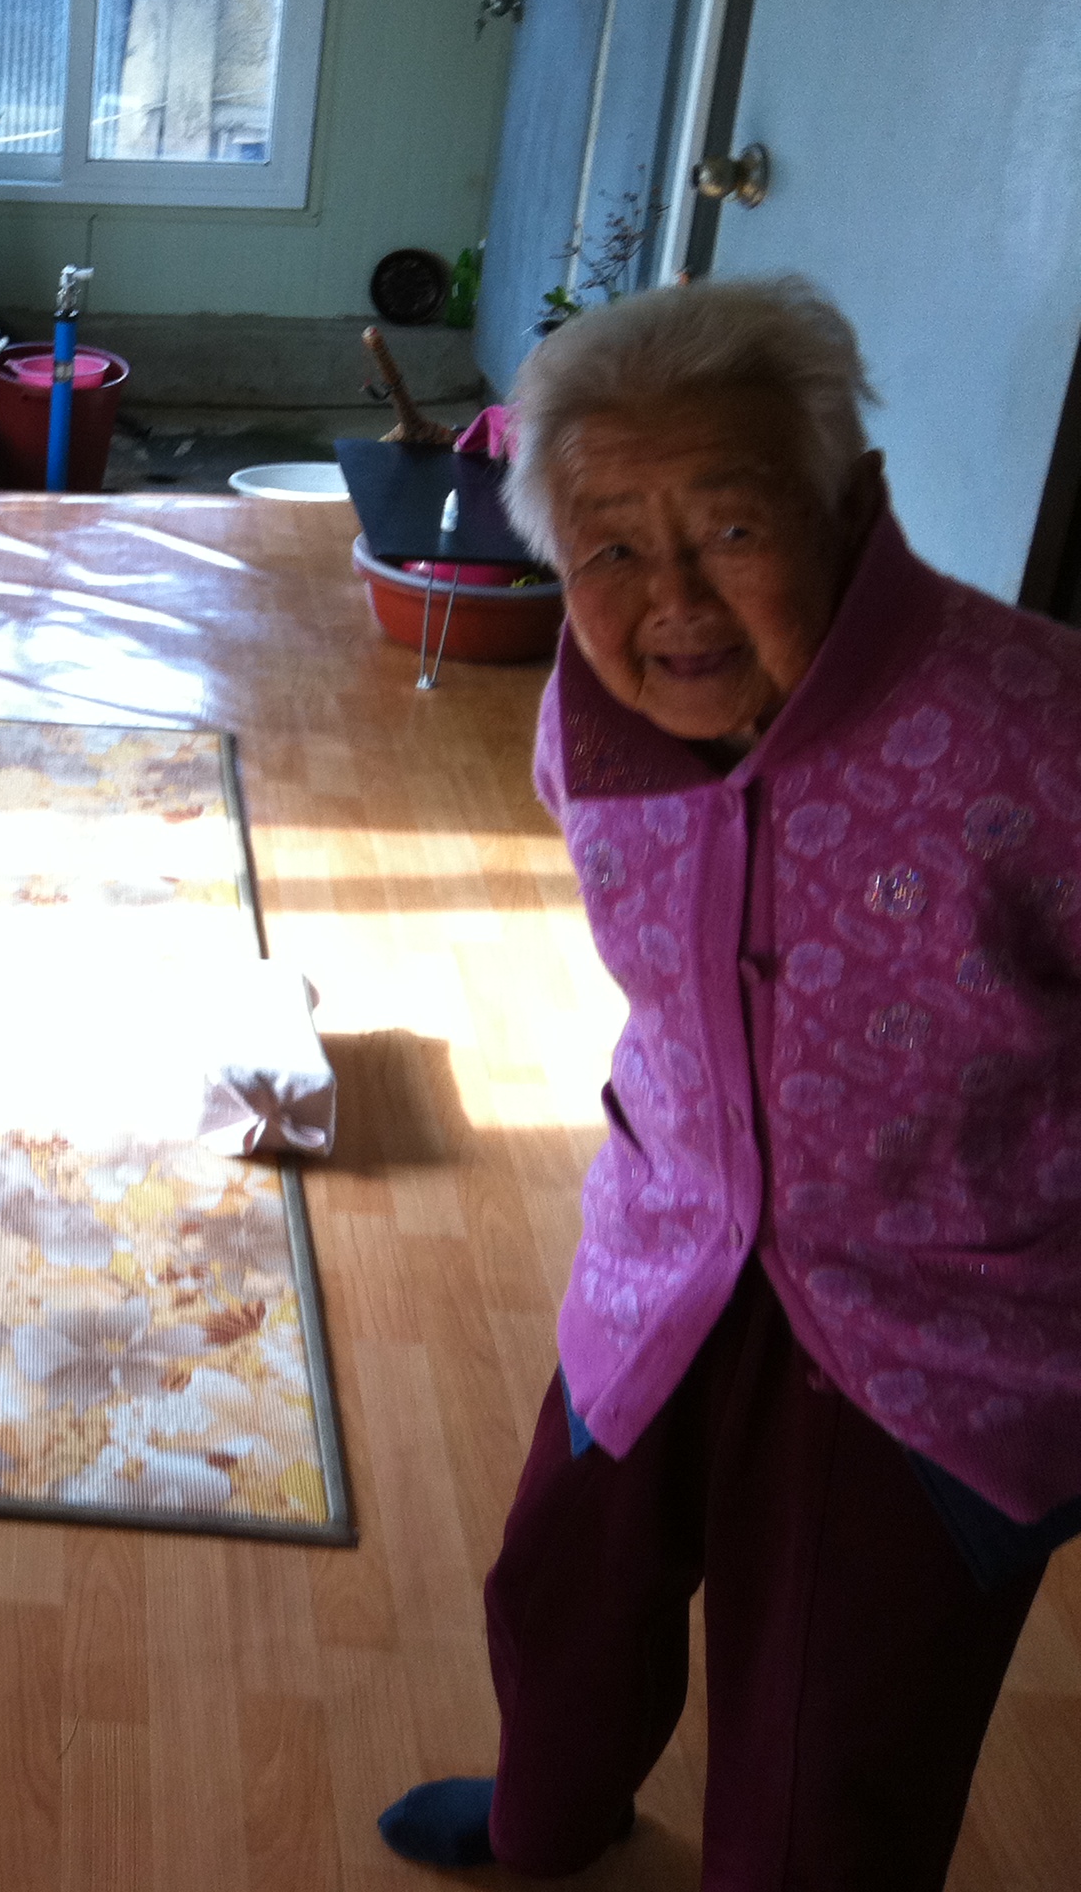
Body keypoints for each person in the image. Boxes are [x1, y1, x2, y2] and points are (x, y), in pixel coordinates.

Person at [376, 278, 1081, 1888]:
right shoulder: (589, 718)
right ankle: (549, 1816)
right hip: (671, 1245)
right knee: (562, 1585)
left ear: (847, 504)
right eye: (612, 549)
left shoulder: (1040, 731)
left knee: (829, 1759)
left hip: (939, 1317)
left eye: (732, 529)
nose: (673, 600)